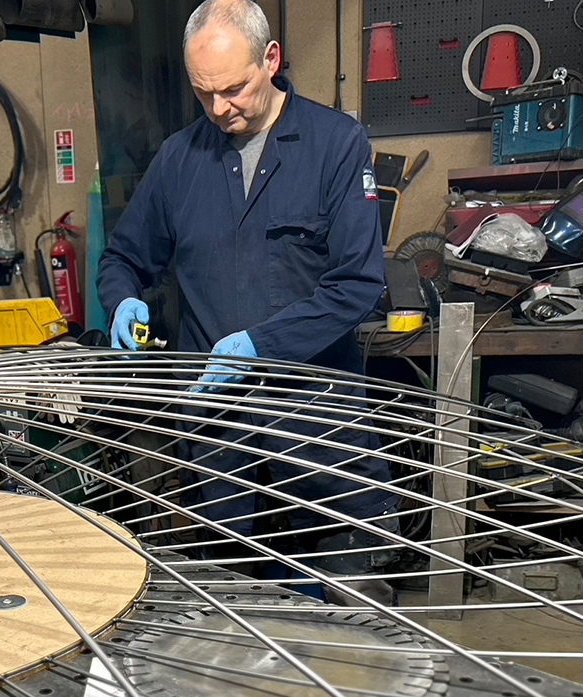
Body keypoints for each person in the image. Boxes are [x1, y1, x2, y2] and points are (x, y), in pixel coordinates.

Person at [97, 0, 399, 605]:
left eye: (232, 89)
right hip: (219, 438)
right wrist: (122, 300)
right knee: (233, 606)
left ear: (271, 60)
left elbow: (357, 284)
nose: (218, 109)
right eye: (203, 93)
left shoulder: (335, 145)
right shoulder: (179, 160)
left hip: (315, 424)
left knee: (343, 617)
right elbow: (123, 257)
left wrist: (262, 345)